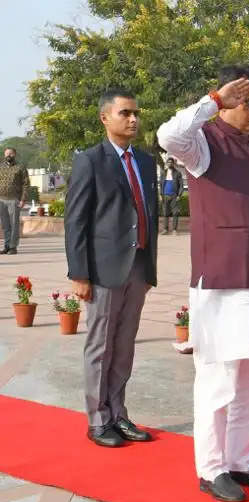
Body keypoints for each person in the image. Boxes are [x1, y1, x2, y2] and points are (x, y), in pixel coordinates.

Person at [157, 65, 249, 502]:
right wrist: (214, 101)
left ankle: (241, 460)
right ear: (224, 99)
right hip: (221, 281)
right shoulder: (203, 144)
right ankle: (212, 468)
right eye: (246, 101)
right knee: (219, 380)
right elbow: (167, 135)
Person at [64, 88, 158, 448]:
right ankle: (98, 419)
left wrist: (148, 269)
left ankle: (119, 413)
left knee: (124, 345)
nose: (133, 119)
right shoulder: (90, 160)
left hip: (137, 267)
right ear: (105, 118)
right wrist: (79, 274)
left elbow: (148, 214)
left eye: (136, 113)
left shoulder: (146, 162)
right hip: (102, 270)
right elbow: (77, 221)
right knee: (100, 345)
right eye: (125, 113)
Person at [0, 147, 29, 254]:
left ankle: (13, 247)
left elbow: (26, 184)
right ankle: (7, 246)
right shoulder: (1, 167)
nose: (8, 155)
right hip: (1, 200)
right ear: (4, 155)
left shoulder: (20, 167)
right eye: (7, 153)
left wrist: (23, 199)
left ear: (15, 155)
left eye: (11, 153)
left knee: (14, 224)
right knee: (5, 225)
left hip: (14, 200)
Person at [160, 157, 184, 234]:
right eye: (168, 162)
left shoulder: (177, 173)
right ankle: (165, 229)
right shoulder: (163, 172)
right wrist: (161, 194)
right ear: (167, 163)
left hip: (174, 196)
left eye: (171, 162)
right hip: (165, 196)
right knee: (165, 213)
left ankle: (174, 230)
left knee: (175, 213)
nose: (170, 163)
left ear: (173, 163)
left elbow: (181, 185)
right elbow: (161, 184)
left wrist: (179, 195)